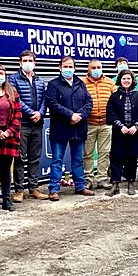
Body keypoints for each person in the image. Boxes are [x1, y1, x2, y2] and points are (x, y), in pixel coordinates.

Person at [45, 57, 95, 201]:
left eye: (71, 66)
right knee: (57, 160)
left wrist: (80, 116)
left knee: (78, 160)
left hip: (78, 128)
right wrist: (70, 115)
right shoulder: (53, 84)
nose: (68, 68)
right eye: (65, 66)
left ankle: (80, 186)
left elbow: (89, 102)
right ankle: (53, 189)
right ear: (59, 68)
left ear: (75, 68)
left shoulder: (80, 84)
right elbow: (53, 104)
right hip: (60, 128)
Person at [9, 50, 49, 202]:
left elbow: (45, 100)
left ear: (34, 63)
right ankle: (19, 190)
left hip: (37, 124)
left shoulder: (39, 80)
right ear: (20, 63)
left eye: (30, 60)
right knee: (20, 158)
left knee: (35, 158)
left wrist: (40, 113)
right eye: (24, 60)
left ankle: (33, 188)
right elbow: (15, 99)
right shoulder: (13, 79)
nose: (27, 63)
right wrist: (31, 112)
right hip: (22, 124)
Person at [105, 70, 138, 196]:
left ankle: (131, 183)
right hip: (120, 133)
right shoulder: (114, 96)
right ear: (120, 80)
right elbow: (110, 112)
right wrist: (120, 125)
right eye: (124, 78)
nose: (126, 81)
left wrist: (136, 126)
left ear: (132, 80)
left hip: (134, 133)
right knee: (116, 158)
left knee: (132, 158)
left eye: (128, 78)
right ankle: (115, 184)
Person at [0, 64, 22, 211]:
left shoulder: (12, 92)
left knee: (6, 169)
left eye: (1, 72)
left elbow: (18, 114)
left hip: (10, 137)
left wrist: (9, 131)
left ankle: (7, 199)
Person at [83, 59, 116, 190]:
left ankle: (102, 178)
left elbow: (114, 101)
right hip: (88, 123)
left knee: (104, 152)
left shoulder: (109, 82)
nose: (96, 70)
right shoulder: (82, 83)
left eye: (99, 67)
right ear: (88, 69)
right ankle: (88, 178)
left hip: (105, 124)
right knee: (88, 153)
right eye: (93, 67)